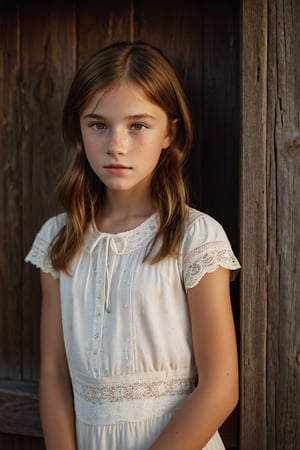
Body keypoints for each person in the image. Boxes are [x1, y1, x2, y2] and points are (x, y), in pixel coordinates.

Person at [25, 41, 241, 450]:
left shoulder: (195, 237)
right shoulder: (57, 240)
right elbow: (53, 375)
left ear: (169, 133)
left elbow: (220, 387)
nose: (116, 146)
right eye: (98, 124)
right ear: (79, 128)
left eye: (138, 125)